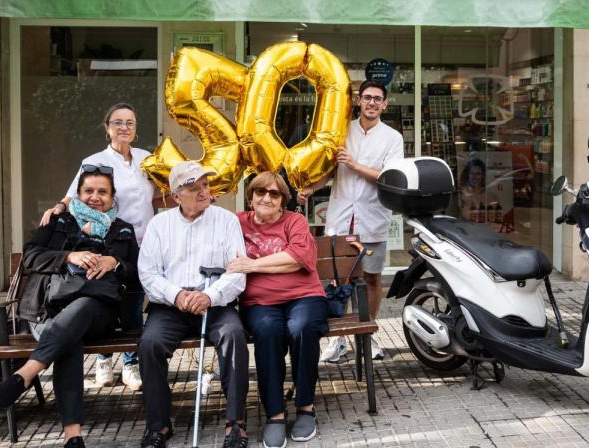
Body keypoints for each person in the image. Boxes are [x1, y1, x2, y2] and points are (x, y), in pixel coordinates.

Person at [0, 166, 138, 448]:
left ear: (113, 197)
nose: (95, 197)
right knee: (70, 336)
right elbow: (31, 256)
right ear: (77, 195)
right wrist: (70, 256)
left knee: (83, 308)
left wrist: (114, 263)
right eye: (88, 191)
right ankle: (73, 437)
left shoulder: (123, 230)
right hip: (48, 311)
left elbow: (139, 273)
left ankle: (25, 375)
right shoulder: (57, 222)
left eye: (102, 192)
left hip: (98, 315)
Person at [39, 102, 160, 390]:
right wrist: (56, 209)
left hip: (142, 241)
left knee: (132, 301)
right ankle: (104, 360)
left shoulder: (147, 159)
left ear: (136, 128)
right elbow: (73, 196)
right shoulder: (94, 160)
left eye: (130, 122)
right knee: (104, 299)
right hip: (105, 242)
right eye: (117, 122)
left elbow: (154, 197)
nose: (124, 128)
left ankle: (130, 364)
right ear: (107, 129)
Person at [137, 161, 250, 448]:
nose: (203, 192)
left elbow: (237, 272)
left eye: (205, 185)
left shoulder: (226, 220)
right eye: (193, 187)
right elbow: (148, 273)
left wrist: (209, 296)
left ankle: (235, 424)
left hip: (215, 302)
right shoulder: (159, 224)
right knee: (149, 344)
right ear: (176, 196)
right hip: (170, 305)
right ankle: (158, 426)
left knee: (234, 336)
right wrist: (177, 295)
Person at [297, 79, 404, 363]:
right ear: (359, 101)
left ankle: (366, 337)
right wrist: (310, 188)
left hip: (372, 217)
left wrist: (354, 164)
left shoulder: (392, 138)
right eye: (367, 97)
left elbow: (388, 176)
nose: (371, 103)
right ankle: (338, 341)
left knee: (371, 277)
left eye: (377, 99)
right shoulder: (342, 131)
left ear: (385, 104)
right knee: (336, 278)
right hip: (341, 216)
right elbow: (330, 170)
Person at [226, 171, 328, 448]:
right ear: (250, 197)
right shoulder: (235, 223)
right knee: (269, 331)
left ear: (283, 200)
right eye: (261, 192)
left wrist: (252, 264)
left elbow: (299, 258)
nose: (267, 198)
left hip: (304, 296)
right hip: (260, 303)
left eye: (275, 193)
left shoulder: (294, 221)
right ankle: (275, 414)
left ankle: (306, 406)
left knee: (302, 328)